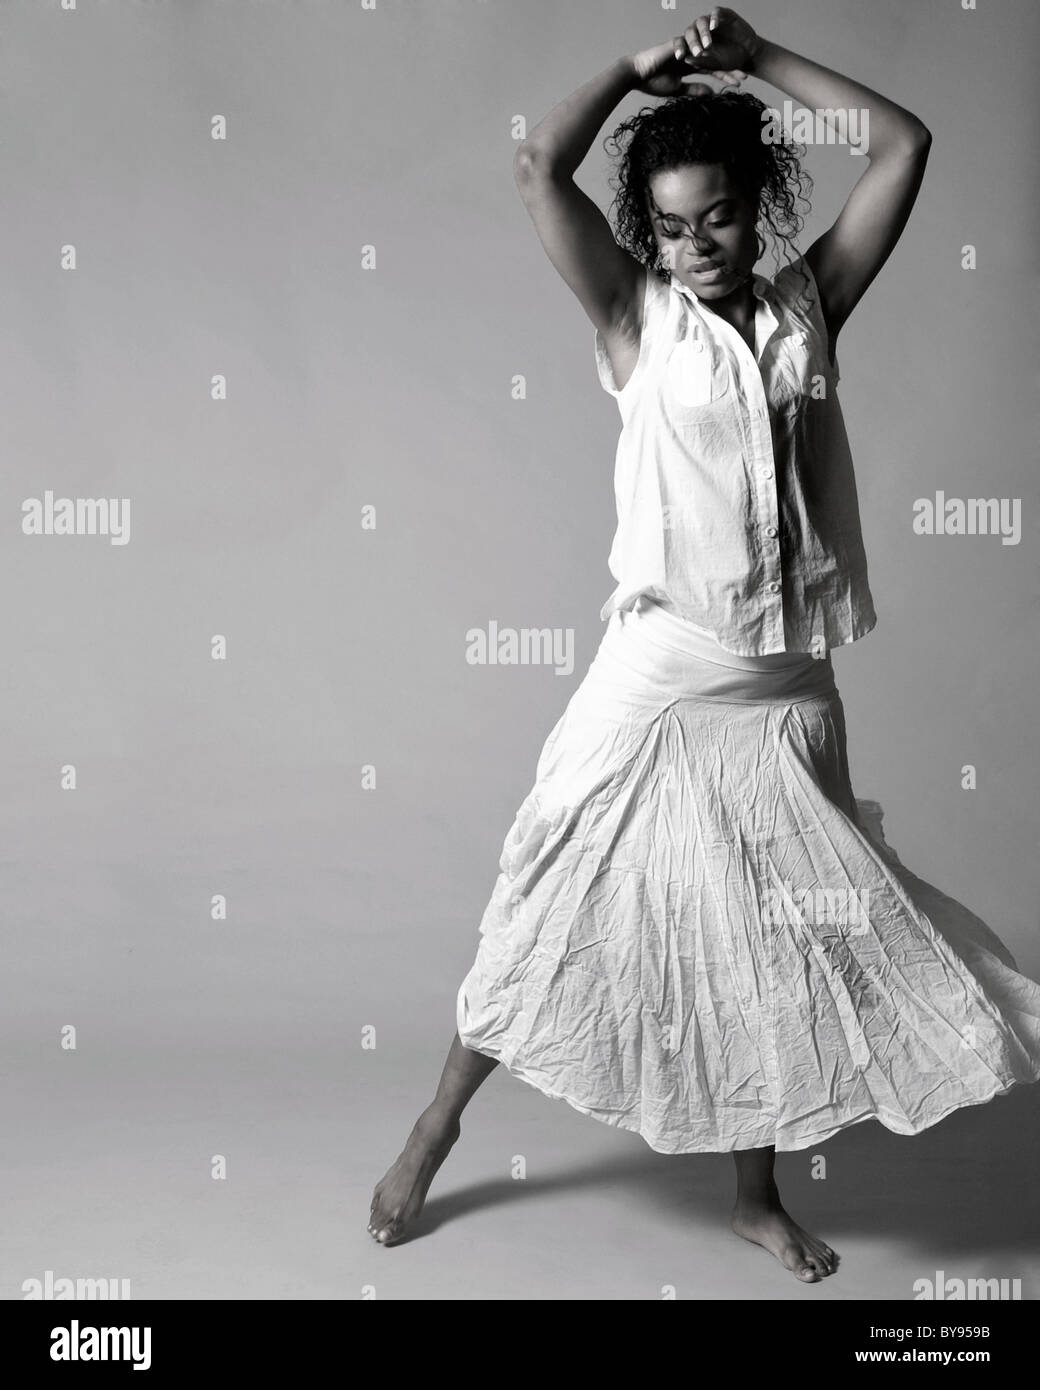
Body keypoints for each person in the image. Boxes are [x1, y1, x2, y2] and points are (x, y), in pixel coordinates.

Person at [368, 8, 1040, 1283]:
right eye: (669, 225)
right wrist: (634, 68)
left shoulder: (809, 308)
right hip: (658, 674)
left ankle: (753, 1195)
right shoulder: (634, 321)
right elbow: (533, 168)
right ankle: (434, 1124)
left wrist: (756, 58)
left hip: (783, 690)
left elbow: (902, 142)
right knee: (545, 901)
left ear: (755, 204)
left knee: (772, 938)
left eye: (716, 216)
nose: (694, 246)